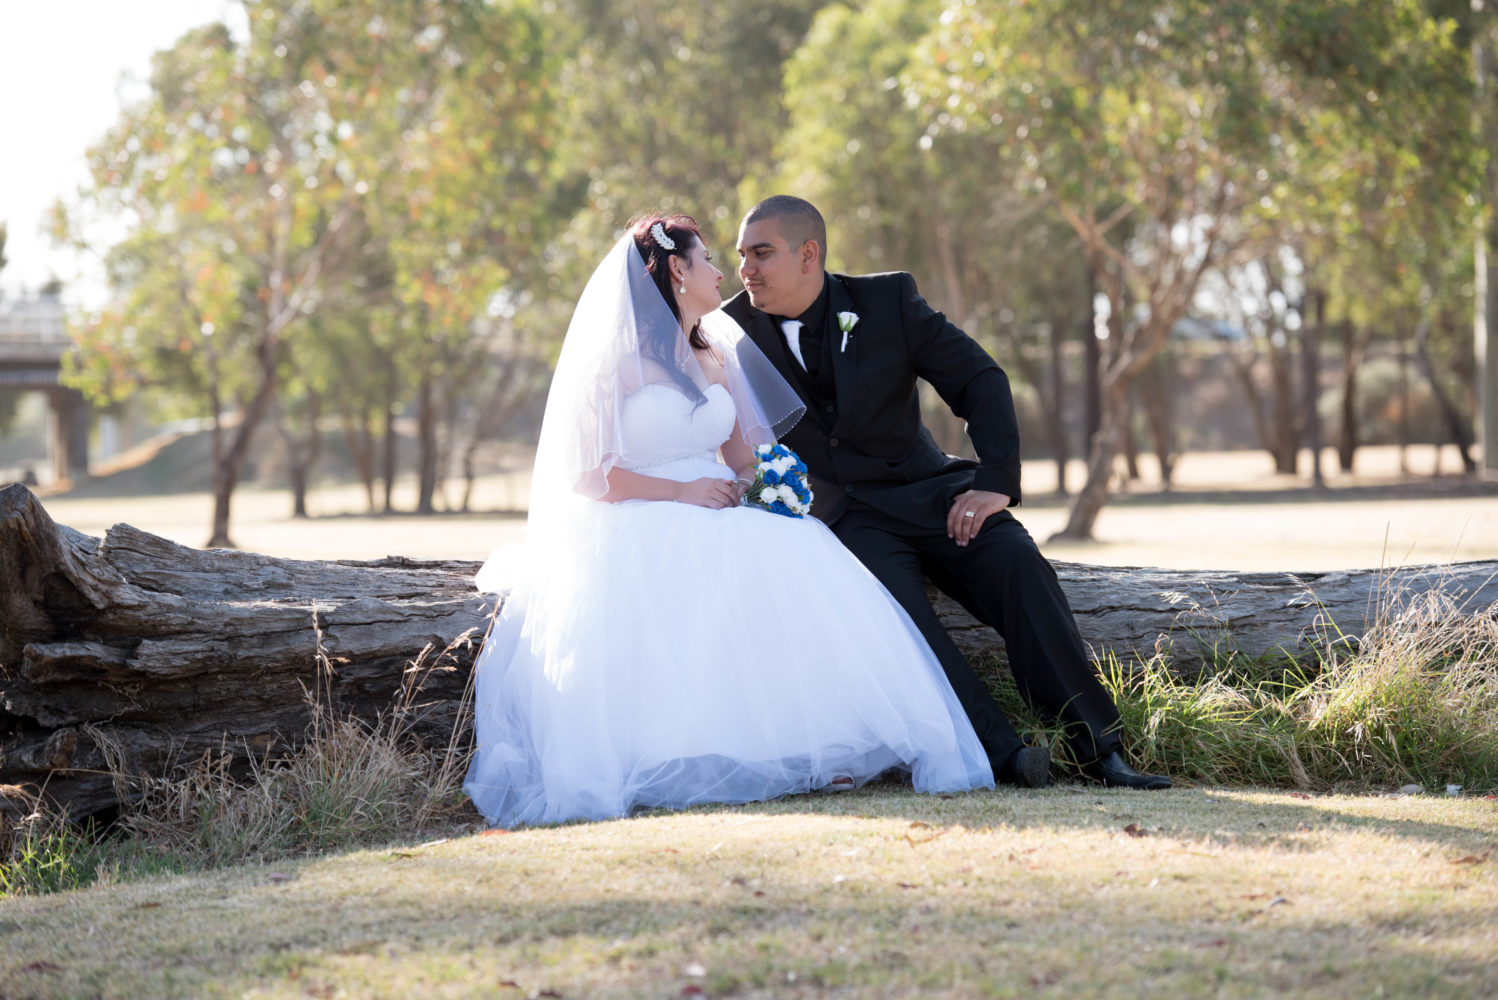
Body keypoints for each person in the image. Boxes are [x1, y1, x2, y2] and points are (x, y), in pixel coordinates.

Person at [463, 214, 995, 827]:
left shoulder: (715, 352)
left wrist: (755, 488)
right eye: (708, 259)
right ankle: (680, 751)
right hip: (638, 513)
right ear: (676, 271)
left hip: (715, 502)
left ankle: (818, 745)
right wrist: (680, 491)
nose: (723, 272)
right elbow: (589, 477)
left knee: (798, 557)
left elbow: (744, 456)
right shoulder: (619, 364)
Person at [721, 195, 1171, 790]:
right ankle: (1002, 754)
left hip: (930, 491)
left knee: (1018, 565)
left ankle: (1101, 749)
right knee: (904, 621)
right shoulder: (726, 329)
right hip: (845, 520)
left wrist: (995, 483)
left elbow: (980, 378)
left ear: (810, 255)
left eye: (761, 253)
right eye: (740, 256)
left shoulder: (887, 301)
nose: (746, 269)